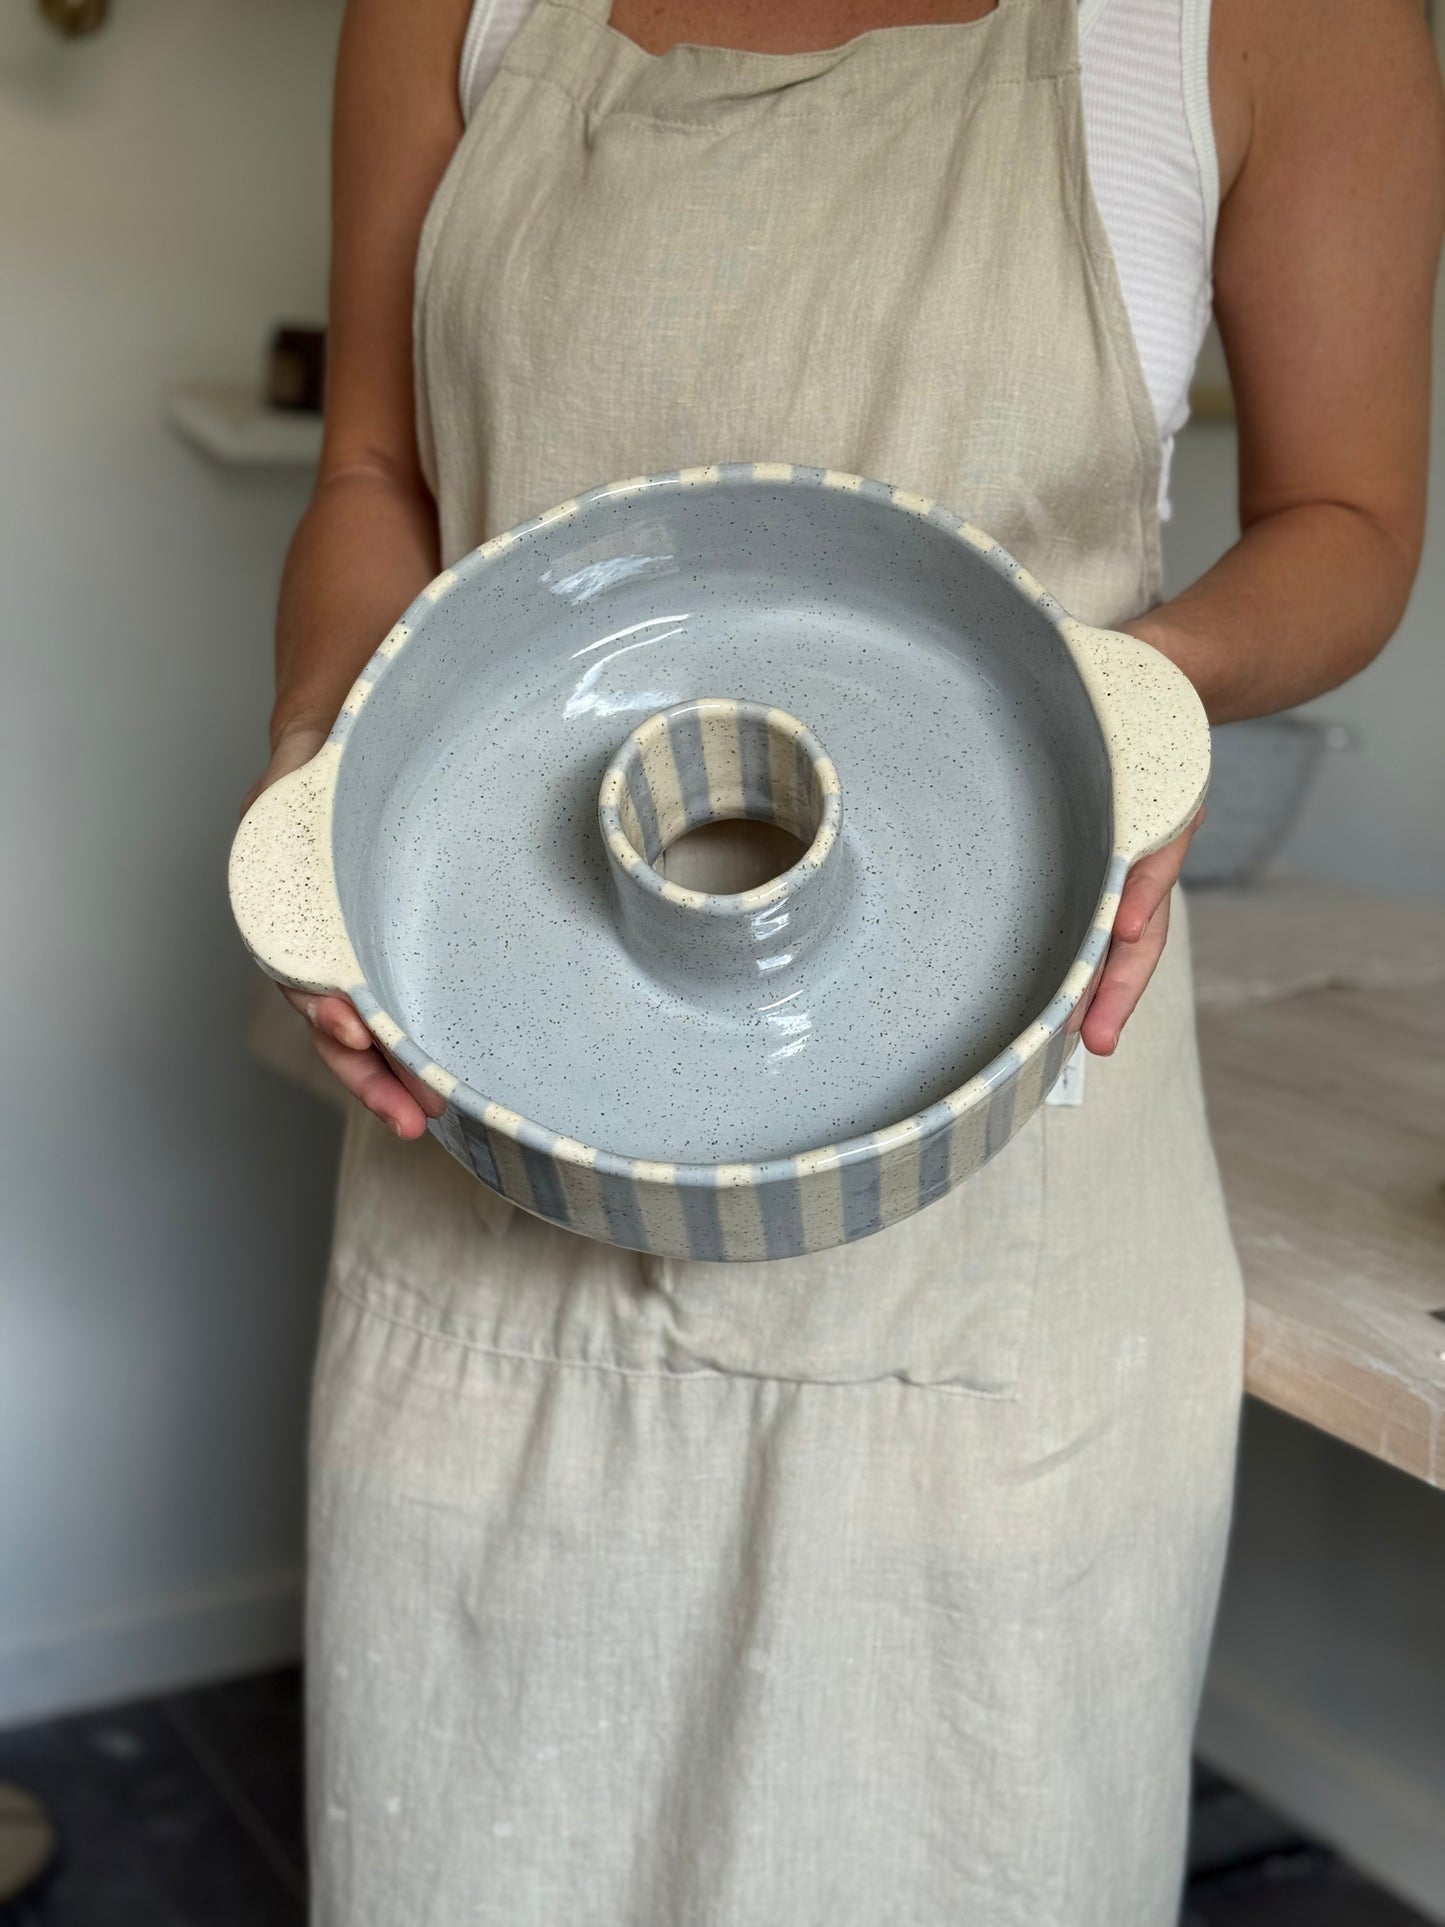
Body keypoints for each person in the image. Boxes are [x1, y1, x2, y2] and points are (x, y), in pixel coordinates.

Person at [244, 0, 1443, 1919]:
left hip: (1006, 1191)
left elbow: (1349, 520)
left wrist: (1134, 696)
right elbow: (377, 474)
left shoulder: (1285, 22)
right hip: (498, 1149)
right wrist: (331, 768)